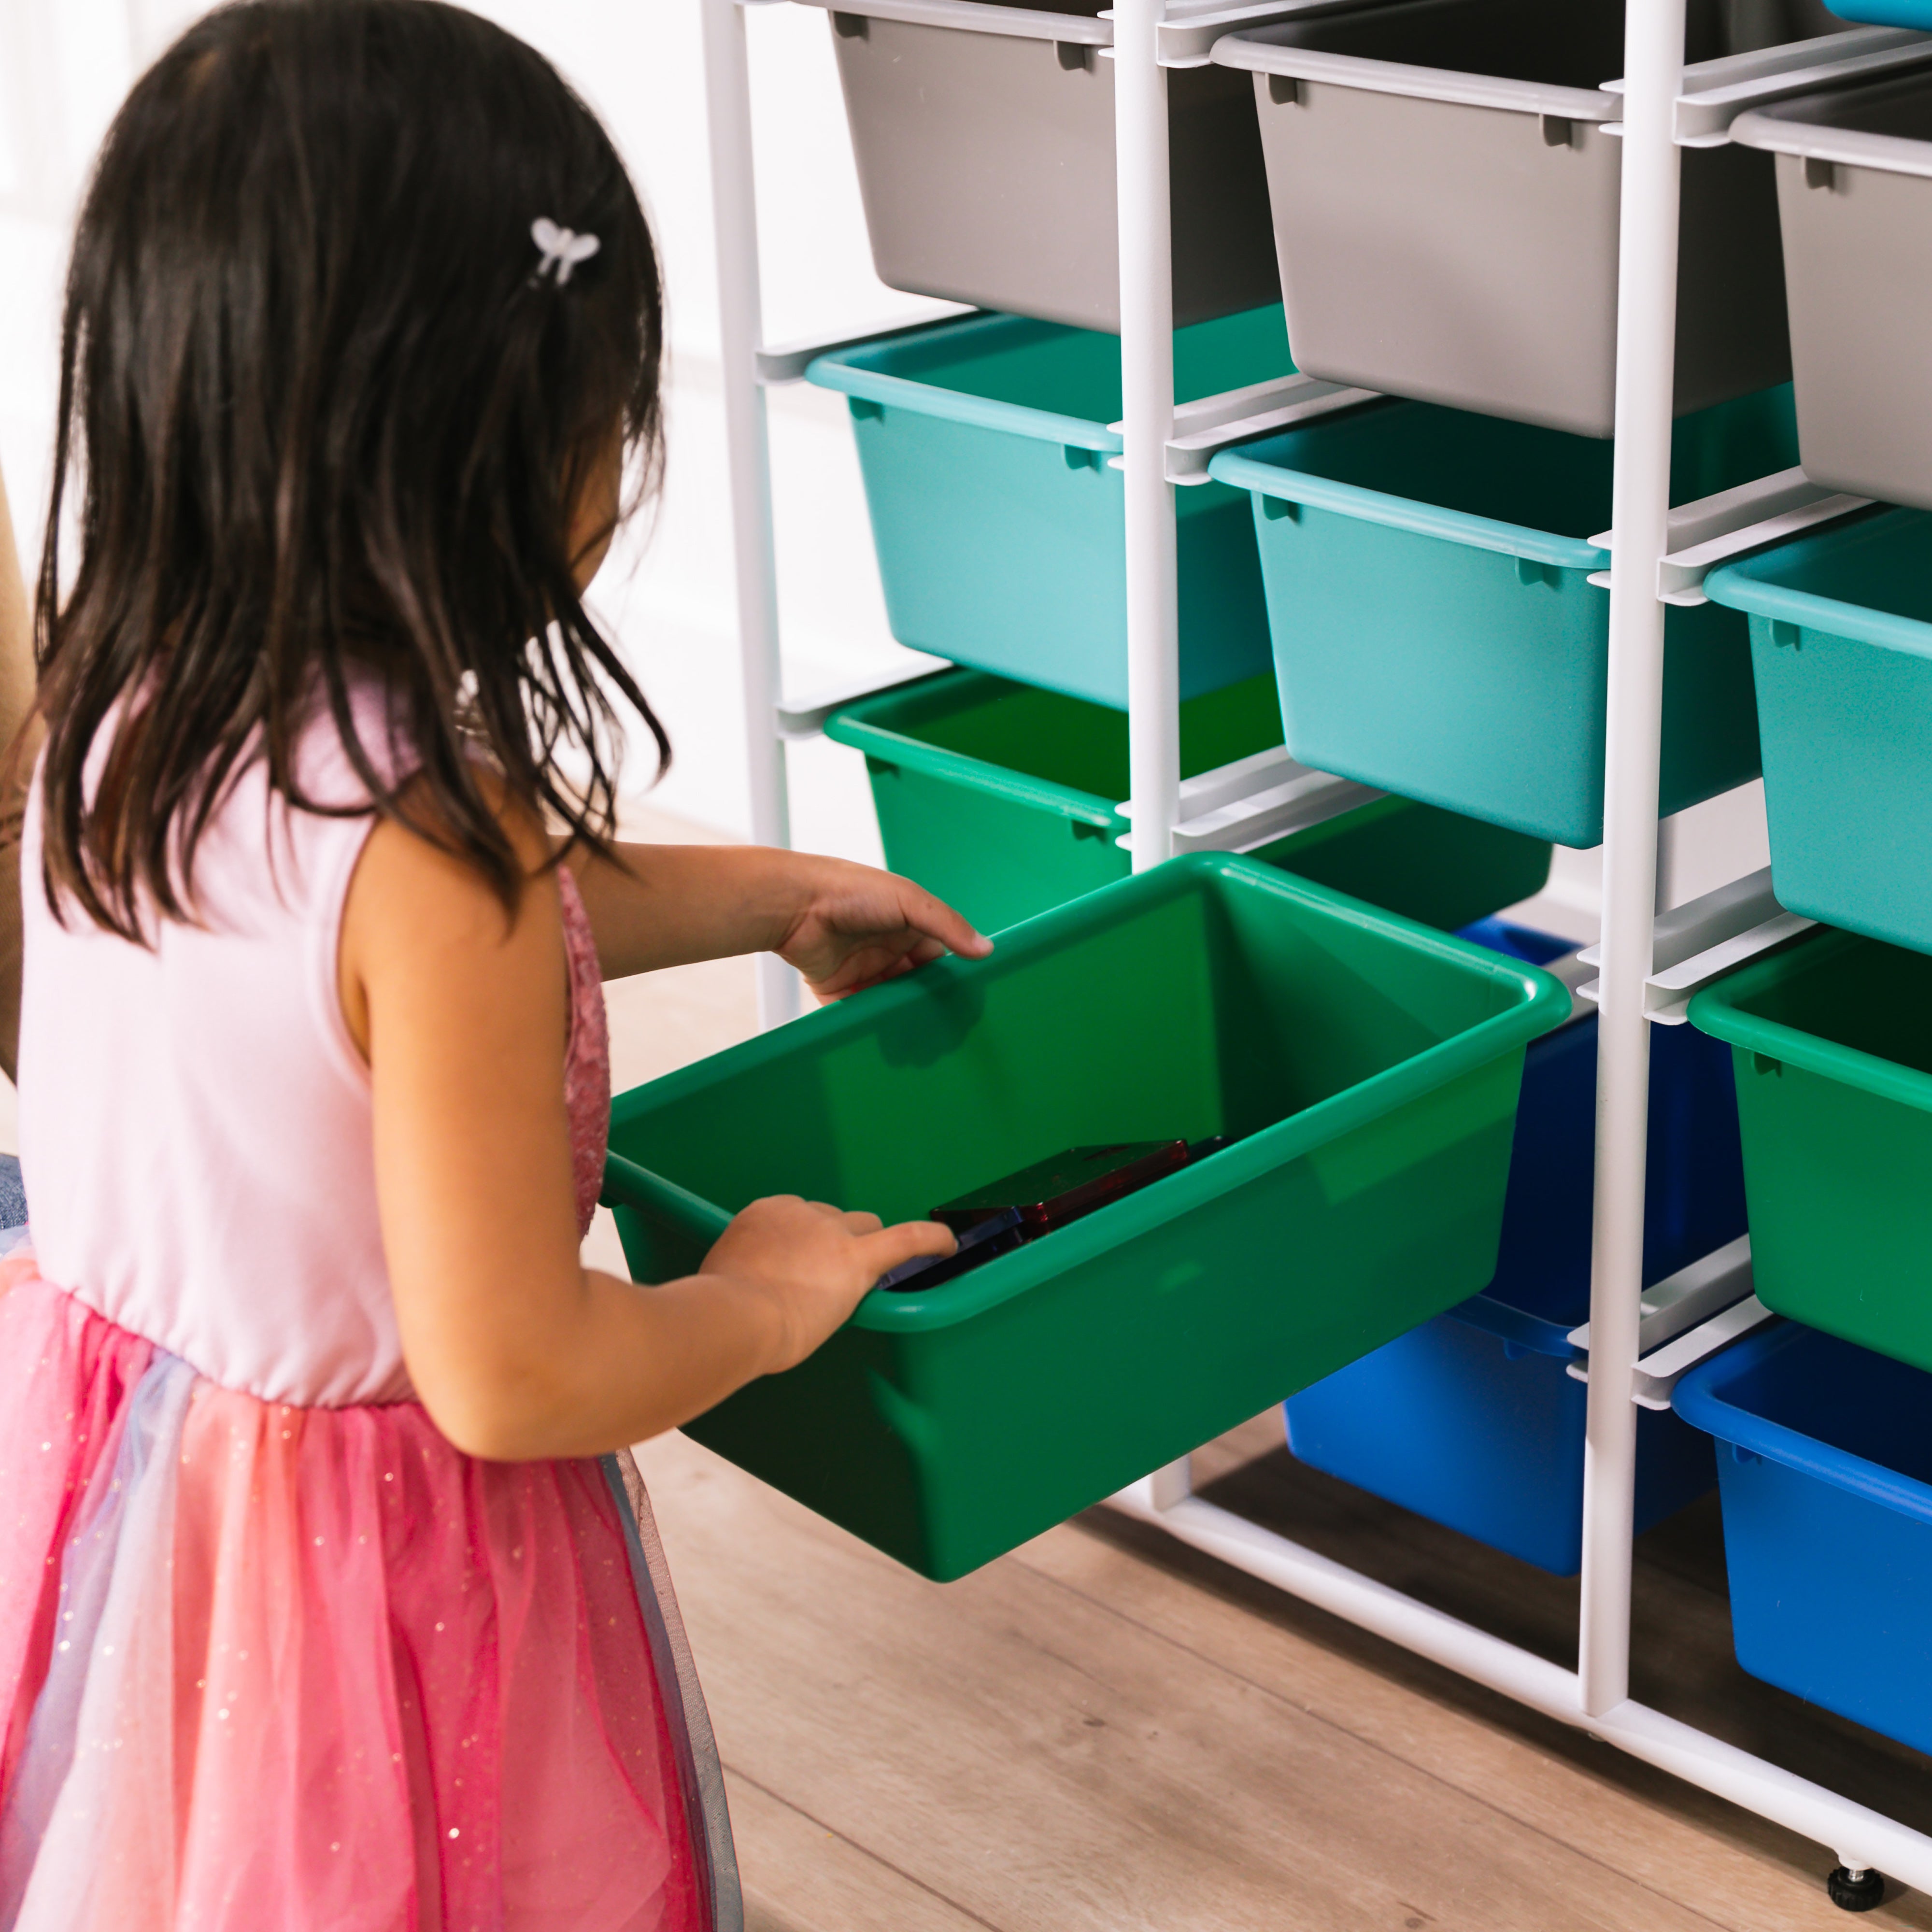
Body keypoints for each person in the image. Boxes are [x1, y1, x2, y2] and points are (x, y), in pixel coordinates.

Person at [0, 5, 985, 1927]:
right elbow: (517, 1372)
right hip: (367, 1580)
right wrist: (762, 1299)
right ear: (491, 440)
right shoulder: (443, 857)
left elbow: (333, 986)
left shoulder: (123, 716)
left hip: (133, 1485)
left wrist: (773, 891)